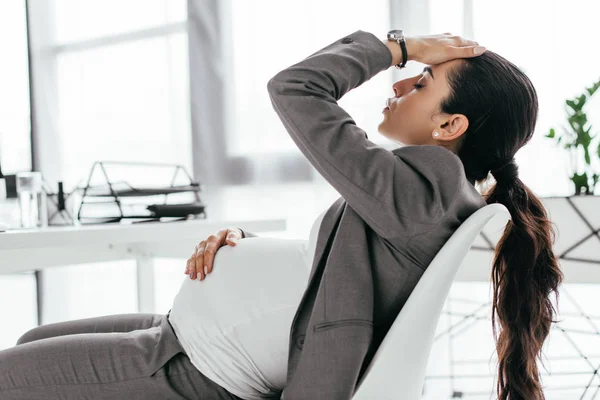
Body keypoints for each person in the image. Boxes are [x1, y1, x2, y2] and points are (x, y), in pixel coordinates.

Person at [0, 30, 562, 400]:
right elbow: (331, 270)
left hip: (195, 366)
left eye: (421, 82)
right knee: (29, 340)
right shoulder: (420, 194)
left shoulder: (423, 192)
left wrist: (399, 44)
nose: (398, 82)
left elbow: (295, 89)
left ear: (449, 127)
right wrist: (240, 244)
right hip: (185, 335)